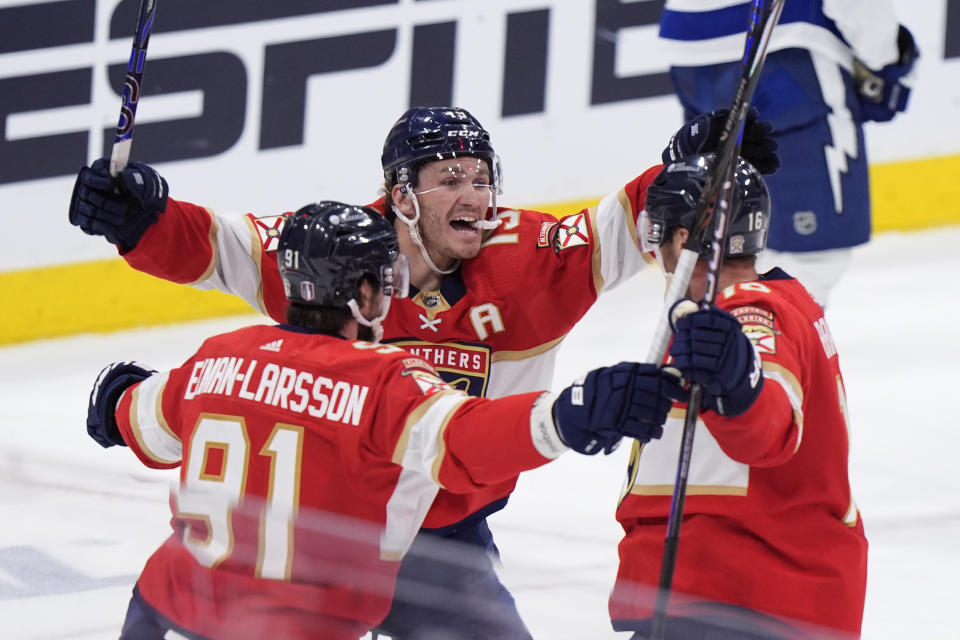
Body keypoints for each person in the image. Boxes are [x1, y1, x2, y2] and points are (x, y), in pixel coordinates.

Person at [68, 106, 778, 638]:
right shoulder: (335, 254)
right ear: (400, 194)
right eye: (449, 180)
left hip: (442, 539)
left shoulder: (534, 256)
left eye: (481, 177)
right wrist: (139, 219)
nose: (475, 195)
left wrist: (693, 167)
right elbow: (216, 245)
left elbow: (632, 223)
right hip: (326, 539)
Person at [84, 201, 687, 640]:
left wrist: (115, 396)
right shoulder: (380, 381)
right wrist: (572, 413)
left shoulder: (215, 358)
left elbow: (135, 422)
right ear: (367, 294)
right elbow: (466, 442)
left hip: (163, 616)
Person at [610, 154, 868, 638]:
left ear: (683, 240)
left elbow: (767, 424)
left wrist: (738, 384)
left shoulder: (747, 312)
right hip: (744, 596)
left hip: (741, 600)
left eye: (657, 233)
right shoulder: (776, 300)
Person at [658, 0, 919, 306]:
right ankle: (768, 345)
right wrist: (884, 59)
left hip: (688, 43)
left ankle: (723, 337)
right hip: (787, 46)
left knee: (732, 230)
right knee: (813, 253)